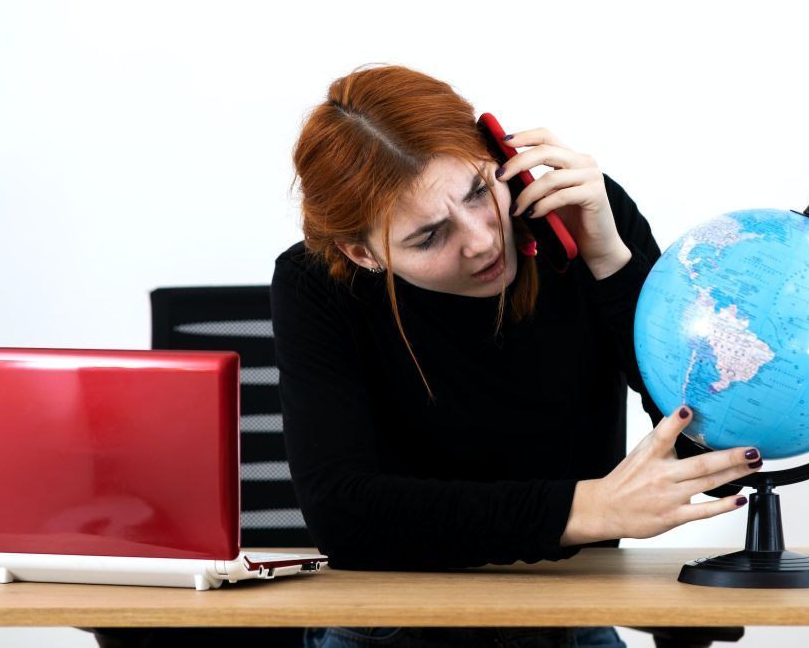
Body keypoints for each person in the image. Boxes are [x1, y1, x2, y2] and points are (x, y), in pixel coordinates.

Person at [272, 64, 763, 648]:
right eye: (428, 236)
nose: (481, 239)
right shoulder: (316, 285)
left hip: (566, 618)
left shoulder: (586, 221)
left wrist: (611, 264)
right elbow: (344, 514)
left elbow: (697, 451)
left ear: (499, 152)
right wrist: (588, 510)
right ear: (362, 254)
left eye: (480, 191)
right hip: (391, 626)